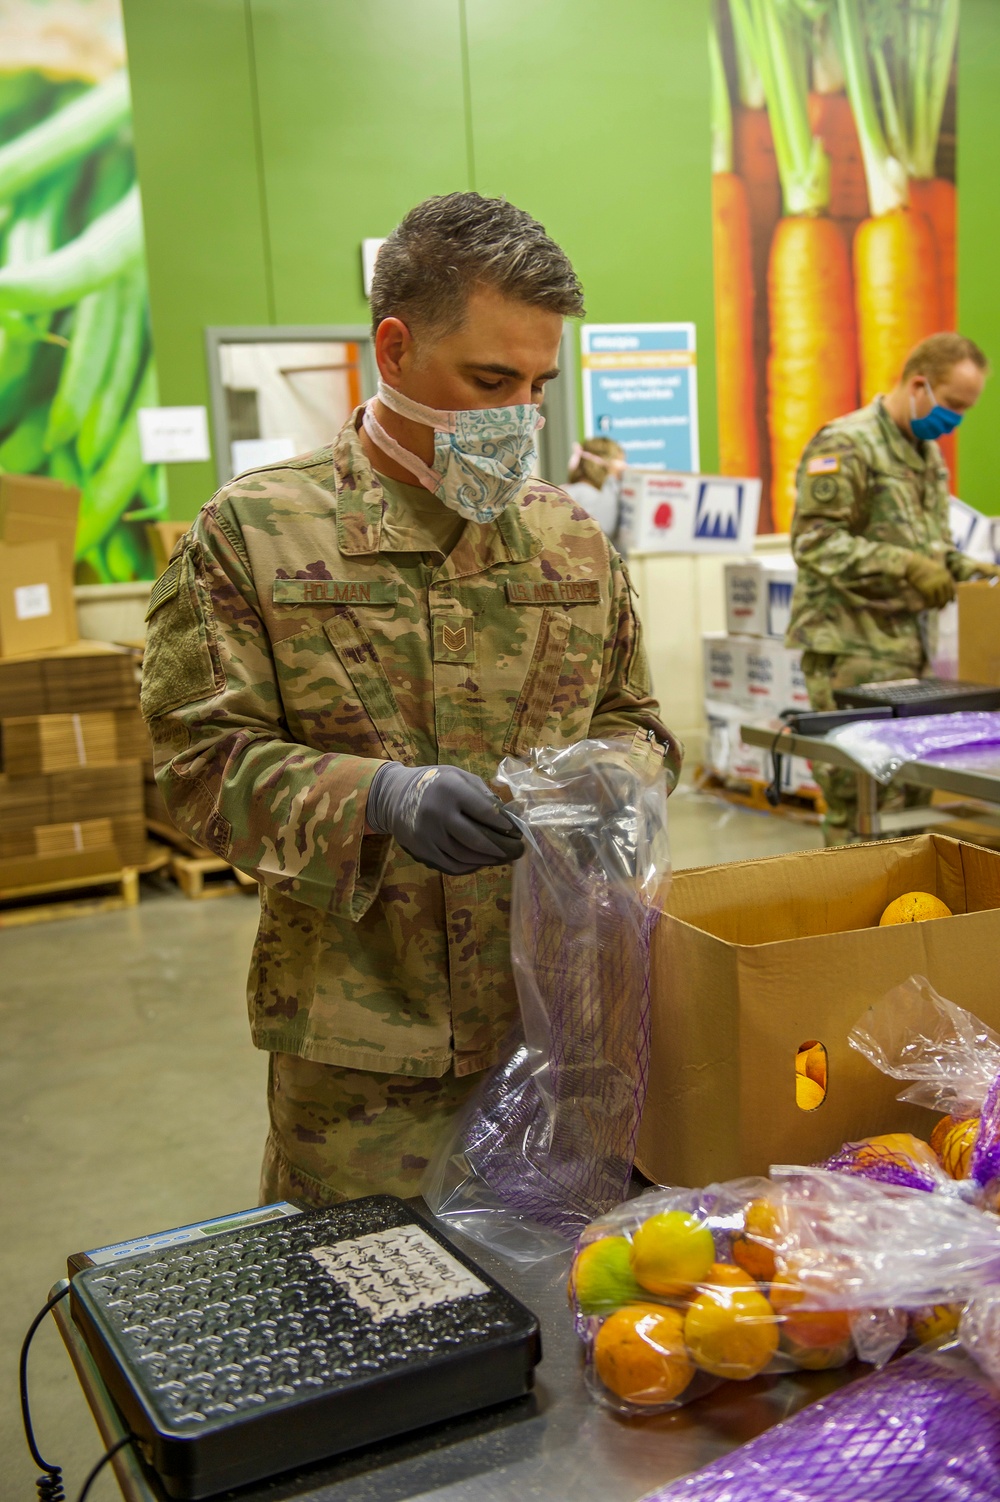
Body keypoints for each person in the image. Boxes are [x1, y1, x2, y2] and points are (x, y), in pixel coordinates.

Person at [140, 192, 679, 1207]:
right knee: (363, 1324)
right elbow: (198, 771)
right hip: (364, 1064)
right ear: (393, 349)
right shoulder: (257, 536)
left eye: (537, 384)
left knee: (561, 1328)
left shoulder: (568, 539)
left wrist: (614, 778)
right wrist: (379, 798)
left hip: (562, 1039)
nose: (520, 416)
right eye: (489, 380)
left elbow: (636, 720)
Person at [785, 332, 1000, 843]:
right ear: (919, 384)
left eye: (965, 410)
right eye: (951, 405)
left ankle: (912, 919)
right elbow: (813, 543)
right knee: (860, 806)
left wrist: (968, 568)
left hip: (910, 655)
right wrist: (904, 565)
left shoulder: (926, 454)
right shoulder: (846, 443)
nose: (954, 420)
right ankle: (857, 919)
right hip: (850, 651)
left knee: (914, 805)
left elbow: (931, 546)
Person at [563, 437, 626, 539]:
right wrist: (612, 480)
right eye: (620, 461)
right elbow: (604, 531)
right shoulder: (587, 494)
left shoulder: (571, 489)